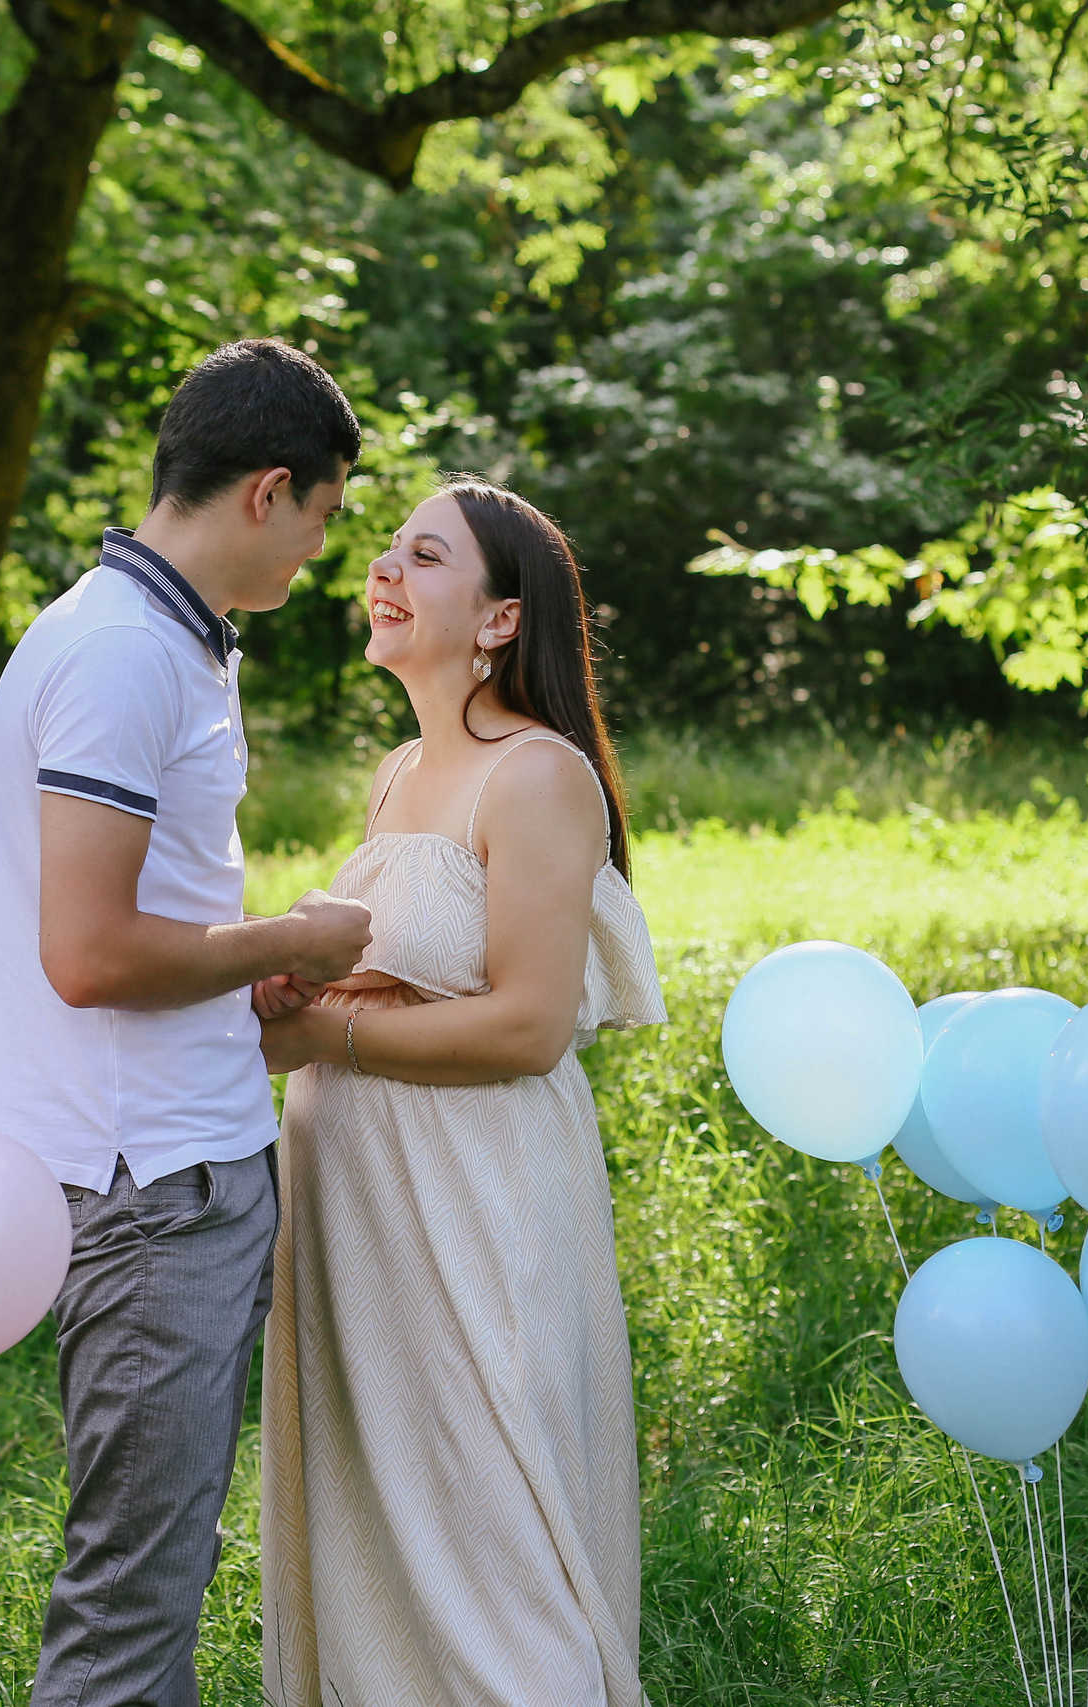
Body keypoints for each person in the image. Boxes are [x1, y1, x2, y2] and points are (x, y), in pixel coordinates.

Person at [0, 338, 375, 1707]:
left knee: (155, 1579)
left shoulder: (173, 643)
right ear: (271, 488)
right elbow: (85, 952)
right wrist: (294, 936)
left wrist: (237, 972)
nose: (326, 552)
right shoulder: (120, 652)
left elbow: (136, 917)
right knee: (131, 1607)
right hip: (149, 1182)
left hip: (180, 1155)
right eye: (329, 516)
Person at [254, 478, 667, 1706]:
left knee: (489, 1526)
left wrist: (326, 1030)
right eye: (384, 550)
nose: (383, 569)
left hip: (474, 1198)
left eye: (423, 556)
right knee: (380, 1523)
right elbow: (409, 974)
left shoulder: (535, 776)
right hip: (359, 1207)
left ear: (498, 619)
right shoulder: (397, 773)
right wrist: (300, 987)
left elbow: (532, 1023)